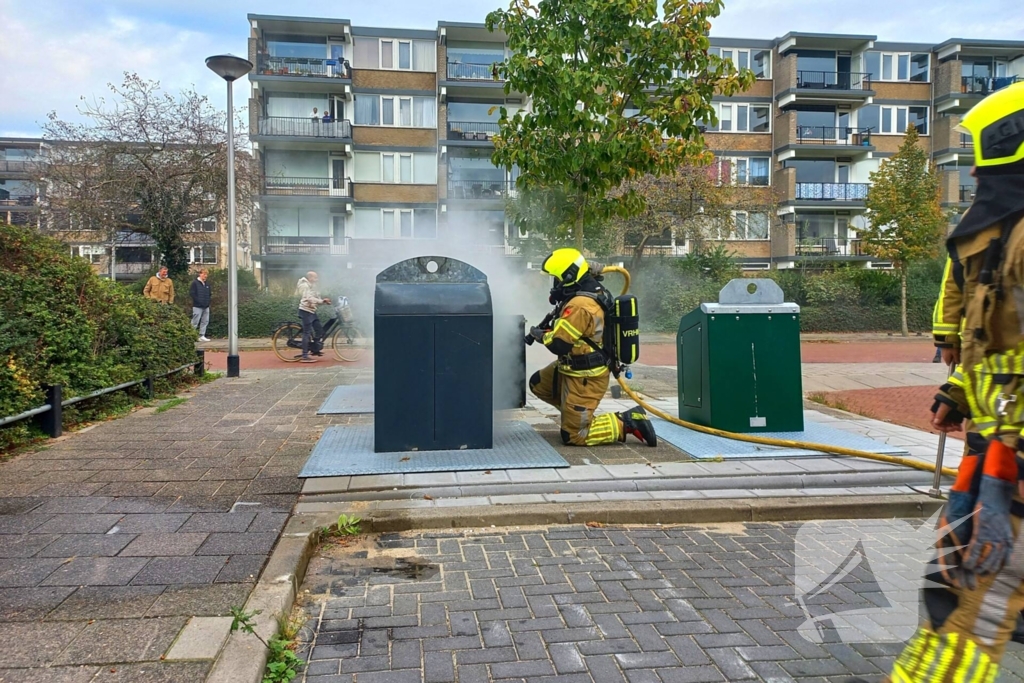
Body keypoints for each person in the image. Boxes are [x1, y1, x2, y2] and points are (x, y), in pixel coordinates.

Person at [848, 82, 1024, 683]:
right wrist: (959, 392)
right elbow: (993, 337)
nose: (975, 171)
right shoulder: (997, 233)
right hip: (995, 443)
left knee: (978, 590)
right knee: (956, 572)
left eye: (981, 155)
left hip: (1011, 453)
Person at [527, 248, 657, 447]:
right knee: (539, 384)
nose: (553, 284)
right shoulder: (587, 286)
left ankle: (628, 421)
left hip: (585, 376)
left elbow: (559, 344)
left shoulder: (580, 305)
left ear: (568, 277)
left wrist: (539, 334)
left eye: (555, 278)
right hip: (570, 368)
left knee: (574, 436)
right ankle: (576, 414)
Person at [295, 271, 330, 363]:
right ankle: (305, 355)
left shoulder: (312, 286)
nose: (317, 279)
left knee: (319, 330)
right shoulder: (305, 286)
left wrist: (324, 301)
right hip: (305, 311)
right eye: (315, 277)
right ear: (310, 278)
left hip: (311, 311)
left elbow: (316, 297)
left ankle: (315, 348)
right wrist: (321, 301)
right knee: (307, 333)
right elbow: (308, 298)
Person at [189, 268, 212, 342]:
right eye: (204, 274)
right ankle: (191, 335)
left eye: (206, 274)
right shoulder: (195, 283)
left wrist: (207, 302)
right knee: (195, 321)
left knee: (205, 321)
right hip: (197, 306)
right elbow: (192, 293)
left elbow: (209, 294)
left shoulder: (207, 284)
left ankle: (202, 335)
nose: (205, 276)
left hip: (206, 306)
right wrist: (198, 301)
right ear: (200, 274)